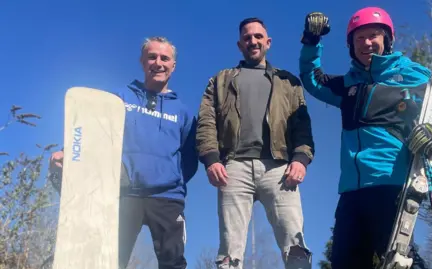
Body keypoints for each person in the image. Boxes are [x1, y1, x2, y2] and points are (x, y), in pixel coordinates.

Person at [298, 7, 432, 269]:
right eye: (359, 38)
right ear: (351, 45)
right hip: (351, 194)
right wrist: (311, 40)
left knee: (400, 262)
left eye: (374, 35)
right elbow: (313, 80)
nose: (366, 43)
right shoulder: (348, 86)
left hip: (392, 187)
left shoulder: (414, 75)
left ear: (388, 39)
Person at [49, 36, 198, 269]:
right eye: (152, 57)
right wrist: (67, 153)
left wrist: (174, 179)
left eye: (165, 58)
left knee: (173, 261)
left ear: (173, 65)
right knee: (110, 260)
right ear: (142, 61)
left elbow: (190, 157)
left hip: (167, 197)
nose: (158, 62)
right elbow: (93, 133)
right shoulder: (119, 98)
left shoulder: (184, 112)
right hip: (123, 193)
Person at [196, 17, 315, 269]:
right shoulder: (220, 80)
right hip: (233, 168)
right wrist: (211, 158)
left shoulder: (289, 82)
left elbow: (302, 124)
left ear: (268, 42)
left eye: (258, 37)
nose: (253, 41)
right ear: (240, 44)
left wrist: (301, 160)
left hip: (279, 168)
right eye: (247, 37)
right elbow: (206, 121)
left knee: (295, 244)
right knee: (230, 251)